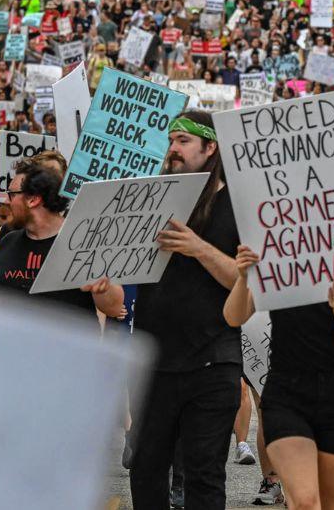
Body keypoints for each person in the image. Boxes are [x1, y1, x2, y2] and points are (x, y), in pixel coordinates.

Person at [130, 111, 241, 510]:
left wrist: (199, 248)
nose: (173, 149)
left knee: (204, 474)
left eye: (183, 141)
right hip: (153, 362)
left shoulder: (238, 204)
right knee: (145, 470)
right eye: (171, 140)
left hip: (213, 361)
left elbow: (244, 282)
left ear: (210, 148)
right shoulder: (150, 198)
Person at [223, 246, 334, 510]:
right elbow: (234, 316)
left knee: (327, 504)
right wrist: (245, 276)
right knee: (305, 502)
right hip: (286, 394)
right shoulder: (277, 252)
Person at [0, 158, 125, 319]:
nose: (6, 201)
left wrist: (103, 288)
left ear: (33, 199)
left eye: (12, 195)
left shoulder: (85, 242)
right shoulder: (7, 242)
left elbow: (114, 308)